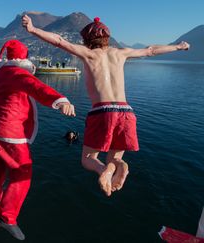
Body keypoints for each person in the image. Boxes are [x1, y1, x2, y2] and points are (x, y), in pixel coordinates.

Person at [22, 15, 190, 196]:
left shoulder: (89, 54)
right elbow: (151, 50)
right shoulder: (121, 53)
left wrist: (33, 29)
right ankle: (119, 166)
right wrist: (178, 47)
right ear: (107, 38)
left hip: (102, 111)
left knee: (88, 159)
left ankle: (103, 171)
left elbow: (60, 41)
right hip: (126, 111)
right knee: (114, 158)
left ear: (86, 40)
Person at [0, 39, 75, 240]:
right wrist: (60, 101)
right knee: (23, 173)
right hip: (11, 135)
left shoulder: (1, 74)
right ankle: (7, 218)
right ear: (23, 58)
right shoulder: (17, 74)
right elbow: (35, 86)